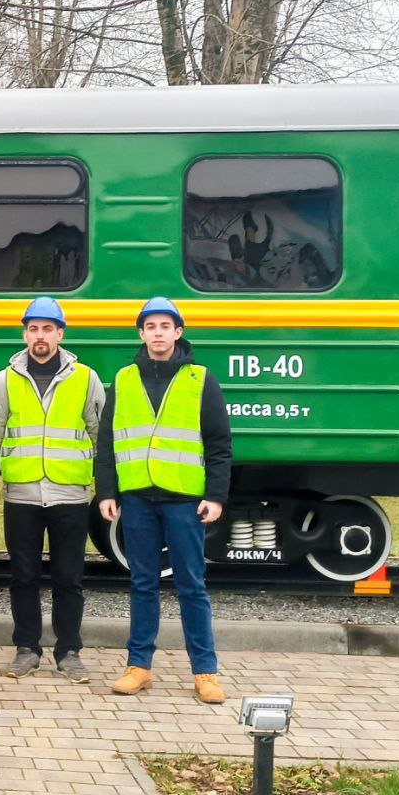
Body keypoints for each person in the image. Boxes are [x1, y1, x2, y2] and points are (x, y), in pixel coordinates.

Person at [95, 297, 232, 705]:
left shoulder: (200, 379)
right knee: (142, 584)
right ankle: (139, 667)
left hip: (184, 501)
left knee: (192, 586)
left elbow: (219, 443)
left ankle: (205, 673)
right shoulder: (123, 379)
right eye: (150, 326)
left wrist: (216, 495)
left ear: (178, 332)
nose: (157, 333)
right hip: (137, 499)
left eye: (164, 326)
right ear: (141, 333)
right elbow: (107, 442)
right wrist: (107, 492)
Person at [0, 297, 104, 683]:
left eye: (48, 329)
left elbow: (99, 434)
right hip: (21, 494)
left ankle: (69, 651)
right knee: (24, 576)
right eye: (33, 329)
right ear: (25, 334)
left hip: (70, 494)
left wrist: (105, 487)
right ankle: (26, 649)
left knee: (70, 578)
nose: (40, 336)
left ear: (60, 333)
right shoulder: (5, 380)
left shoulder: (86, 378)